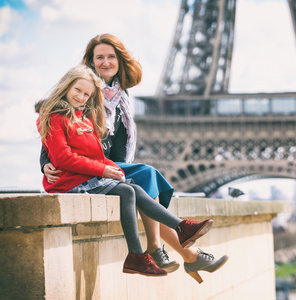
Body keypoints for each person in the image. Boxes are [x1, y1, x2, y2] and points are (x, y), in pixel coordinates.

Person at [39, 33, 228, 283]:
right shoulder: (83, 93)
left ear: (120, 60)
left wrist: (107, 167)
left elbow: (99, 144)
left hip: (105, 163)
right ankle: (174, 247)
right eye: (99, 57)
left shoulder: (120, 97)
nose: (105, 62)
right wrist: (45, 163)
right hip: (88, 169)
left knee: (141, 184)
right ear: (90, 62)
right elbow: (54, 139)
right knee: (145, 178)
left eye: (111, 57)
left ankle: (175, 248)